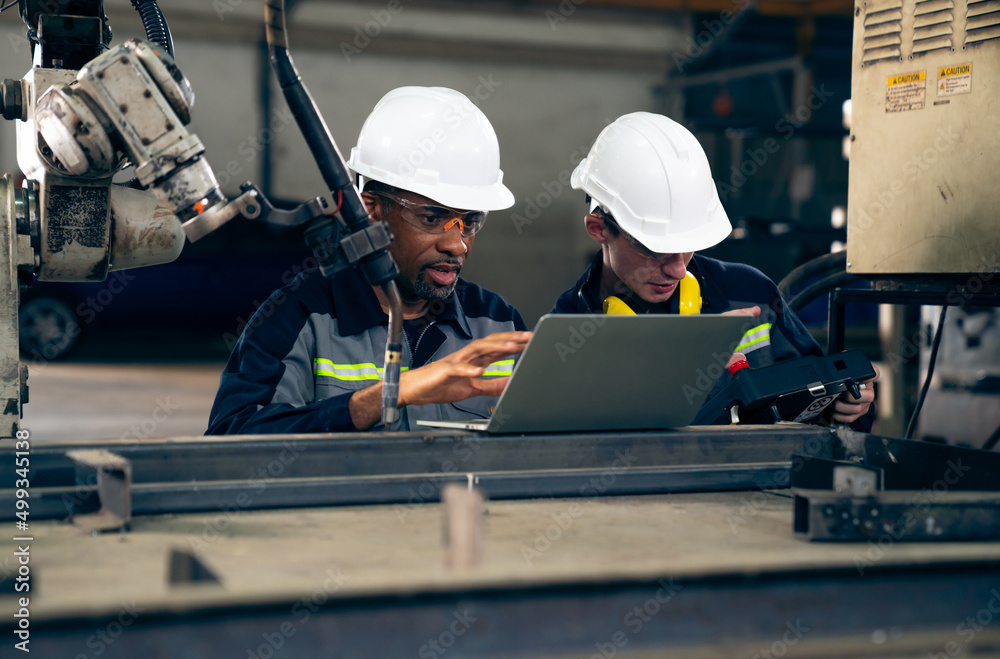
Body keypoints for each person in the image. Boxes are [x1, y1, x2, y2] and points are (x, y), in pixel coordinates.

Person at [207, 87, 530, 434]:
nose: (457, 244)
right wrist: (386, 396)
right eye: (432, 218)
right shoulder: (300, 318)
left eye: (470, 221)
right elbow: (232, 441)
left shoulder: (498, 324)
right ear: (370, 209)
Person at [551, 112, 877, 428]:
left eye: (689, 242)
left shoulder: (748, 294)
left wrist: (843, 408)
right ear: (599, 229)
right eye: (654, 250)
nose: (678, 270)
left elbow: (816, 407)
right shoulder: (567, 336)